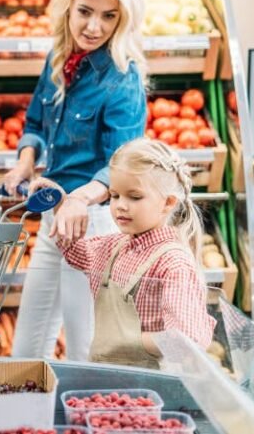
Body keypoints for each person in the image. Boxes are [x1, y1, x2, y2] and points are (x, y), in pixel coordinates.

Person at [4, 0, 148, 360]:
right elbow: (34, 124)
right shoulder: (59, 59)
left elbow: (122, 164)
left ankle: (88, 421)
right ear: (67, 5)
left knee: (86, 349)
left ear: (123, 19)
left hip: (96, 223)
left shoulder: (122, 77)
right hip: (55, 216)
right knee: (27, 349)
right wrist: (24, 162)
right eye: (85, 11)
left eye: (108, 16)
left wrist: (83, 198)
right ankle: (29, 423)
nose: (93, 26)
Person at [47, 138, 216, 369]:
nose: (120, 206)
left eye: (134, 197)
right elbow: (75, 253)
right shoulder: (114, 246)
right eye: (115, 196)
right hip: (110, 383)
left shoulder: (173, 263)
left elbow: (187, 341)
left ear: (167, 203)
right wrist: (60, 204)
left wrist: (127, 339)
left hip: (151, 389)